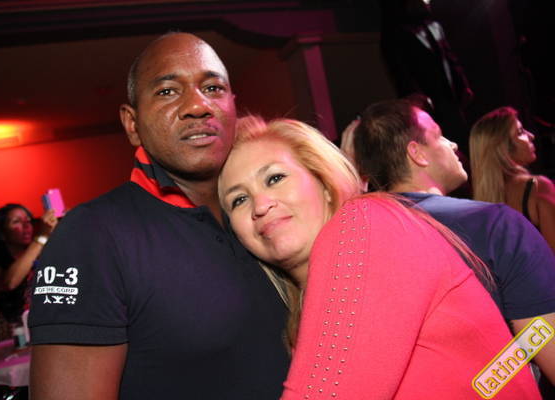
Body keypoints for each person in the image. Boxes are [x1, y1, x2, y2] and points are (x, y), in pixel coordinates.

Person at [28, 33, 289, 400]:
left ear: (233, 105)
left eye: (213, 88)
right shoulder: (91, 236)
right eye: (167, 91)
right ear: (132, 124)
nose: (197, 106)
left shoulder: (270, 211)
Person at [218, 115, 541, 399]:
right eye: (239, 200)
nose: (260, 205)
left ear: (325, 183)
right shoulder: (301, 313)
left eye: (275, 178)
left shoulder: (363, 224)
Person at [351, 99, 555, 385]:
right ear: (417, 153)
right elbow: (545, 338)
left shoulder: (357, 242)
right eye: (439, 135)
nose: (453, 144)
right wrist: (496, 376)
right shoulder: (493, 224)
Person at [380, 0, 473, 153]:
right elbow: (399, 69)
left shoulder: (432, 25)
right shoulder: (396, 32)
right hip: (428, 103)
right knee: (441, 143)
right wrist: (414, 95)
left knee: (461, 139)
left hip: (450, 98)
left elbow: (449, 57)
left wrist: (462, 84)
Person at [470, 106, 555, 251]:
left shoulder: (478, 208)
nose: (531, 136)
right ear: (503, 147)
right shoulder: (537, 187)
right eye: (520, 132)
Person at [0, 204, 57, 342]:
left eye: (28, 220)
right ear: (2, 232)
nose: (26, 225)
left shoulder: (37, 251)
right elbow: (10, 282)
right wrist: (41, 238)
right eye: (16, 221)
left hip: (43, 324)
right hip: (14, 333)